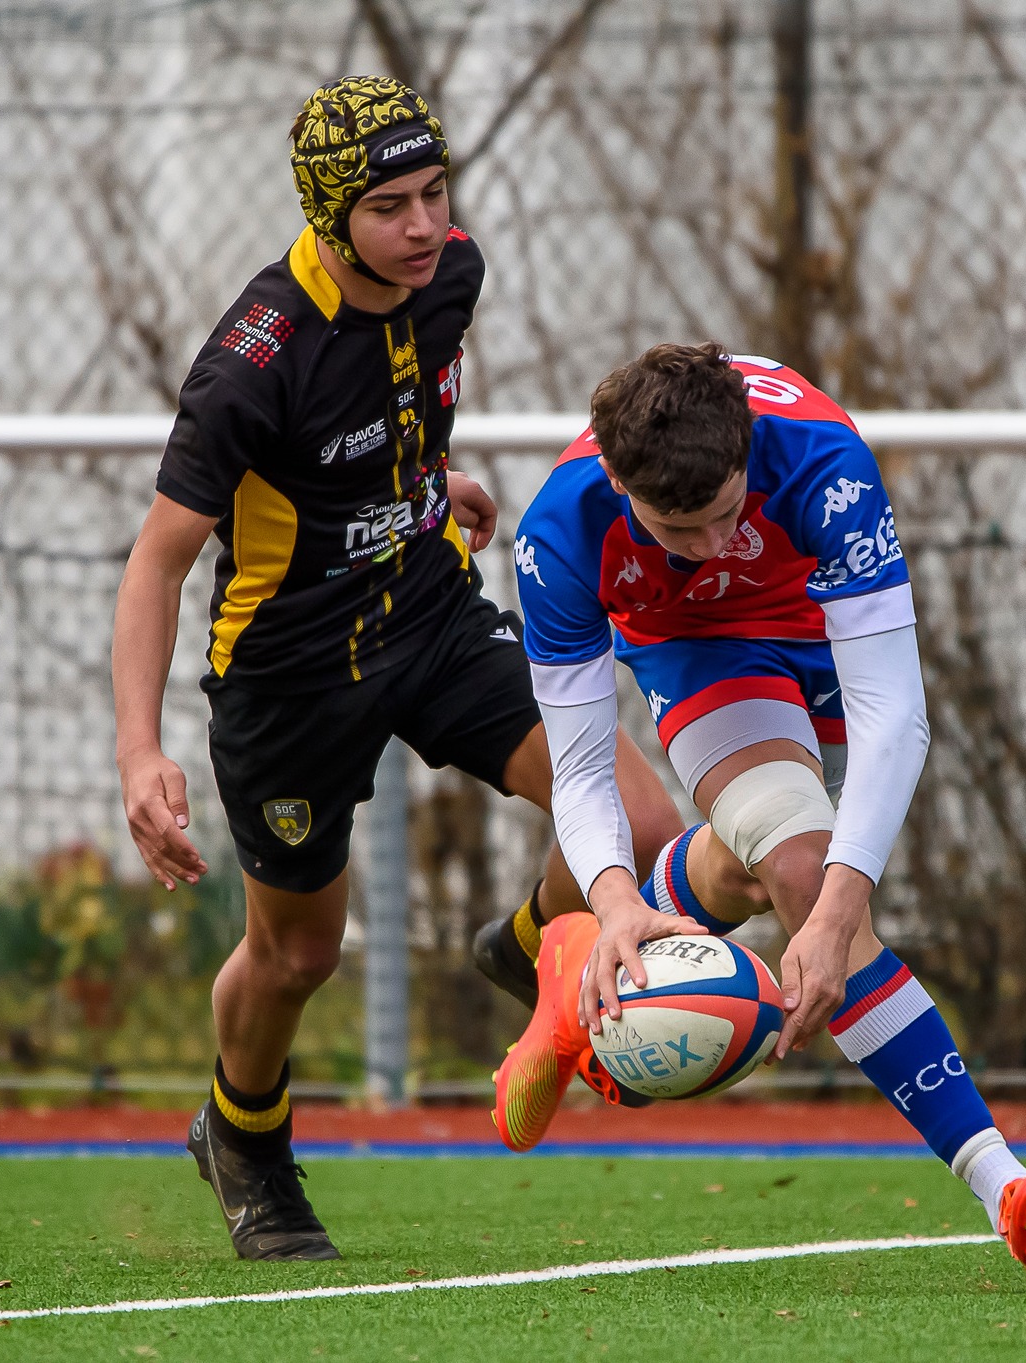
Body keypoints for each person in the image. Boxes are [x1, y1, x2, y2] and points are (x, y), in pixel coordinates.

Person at [110, 75, 681, 1262]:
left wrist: (428, 481)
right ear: (327, 217)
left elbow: (391, 412)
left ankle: (529, 945)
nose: (424, 227)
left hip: (424, 610)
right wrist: (137, 752)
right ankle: (243, 1135)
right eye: (389, 207)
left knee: (633, 814)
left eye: (435, 193)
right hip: (288, 674)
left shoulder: (450, 275)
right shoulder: (248, 367)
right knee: (297, 954)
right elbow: (156, 563)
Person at [490, 342, 1026, 1293]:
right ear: (616, 479)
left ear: (749, 452)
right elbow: (579, 762)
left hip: (823, 613)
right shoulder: (559, 532)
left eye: (727, 514)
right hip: (700, 647)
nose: (709, 545)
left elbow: (898, 718)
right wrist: (613, 901)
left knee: (773, 877)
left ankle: (570, 976)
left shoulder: (822, 458)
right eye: (675, 529)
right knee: (801, 863)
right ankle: (1003, 1181)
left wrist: (832, 924)